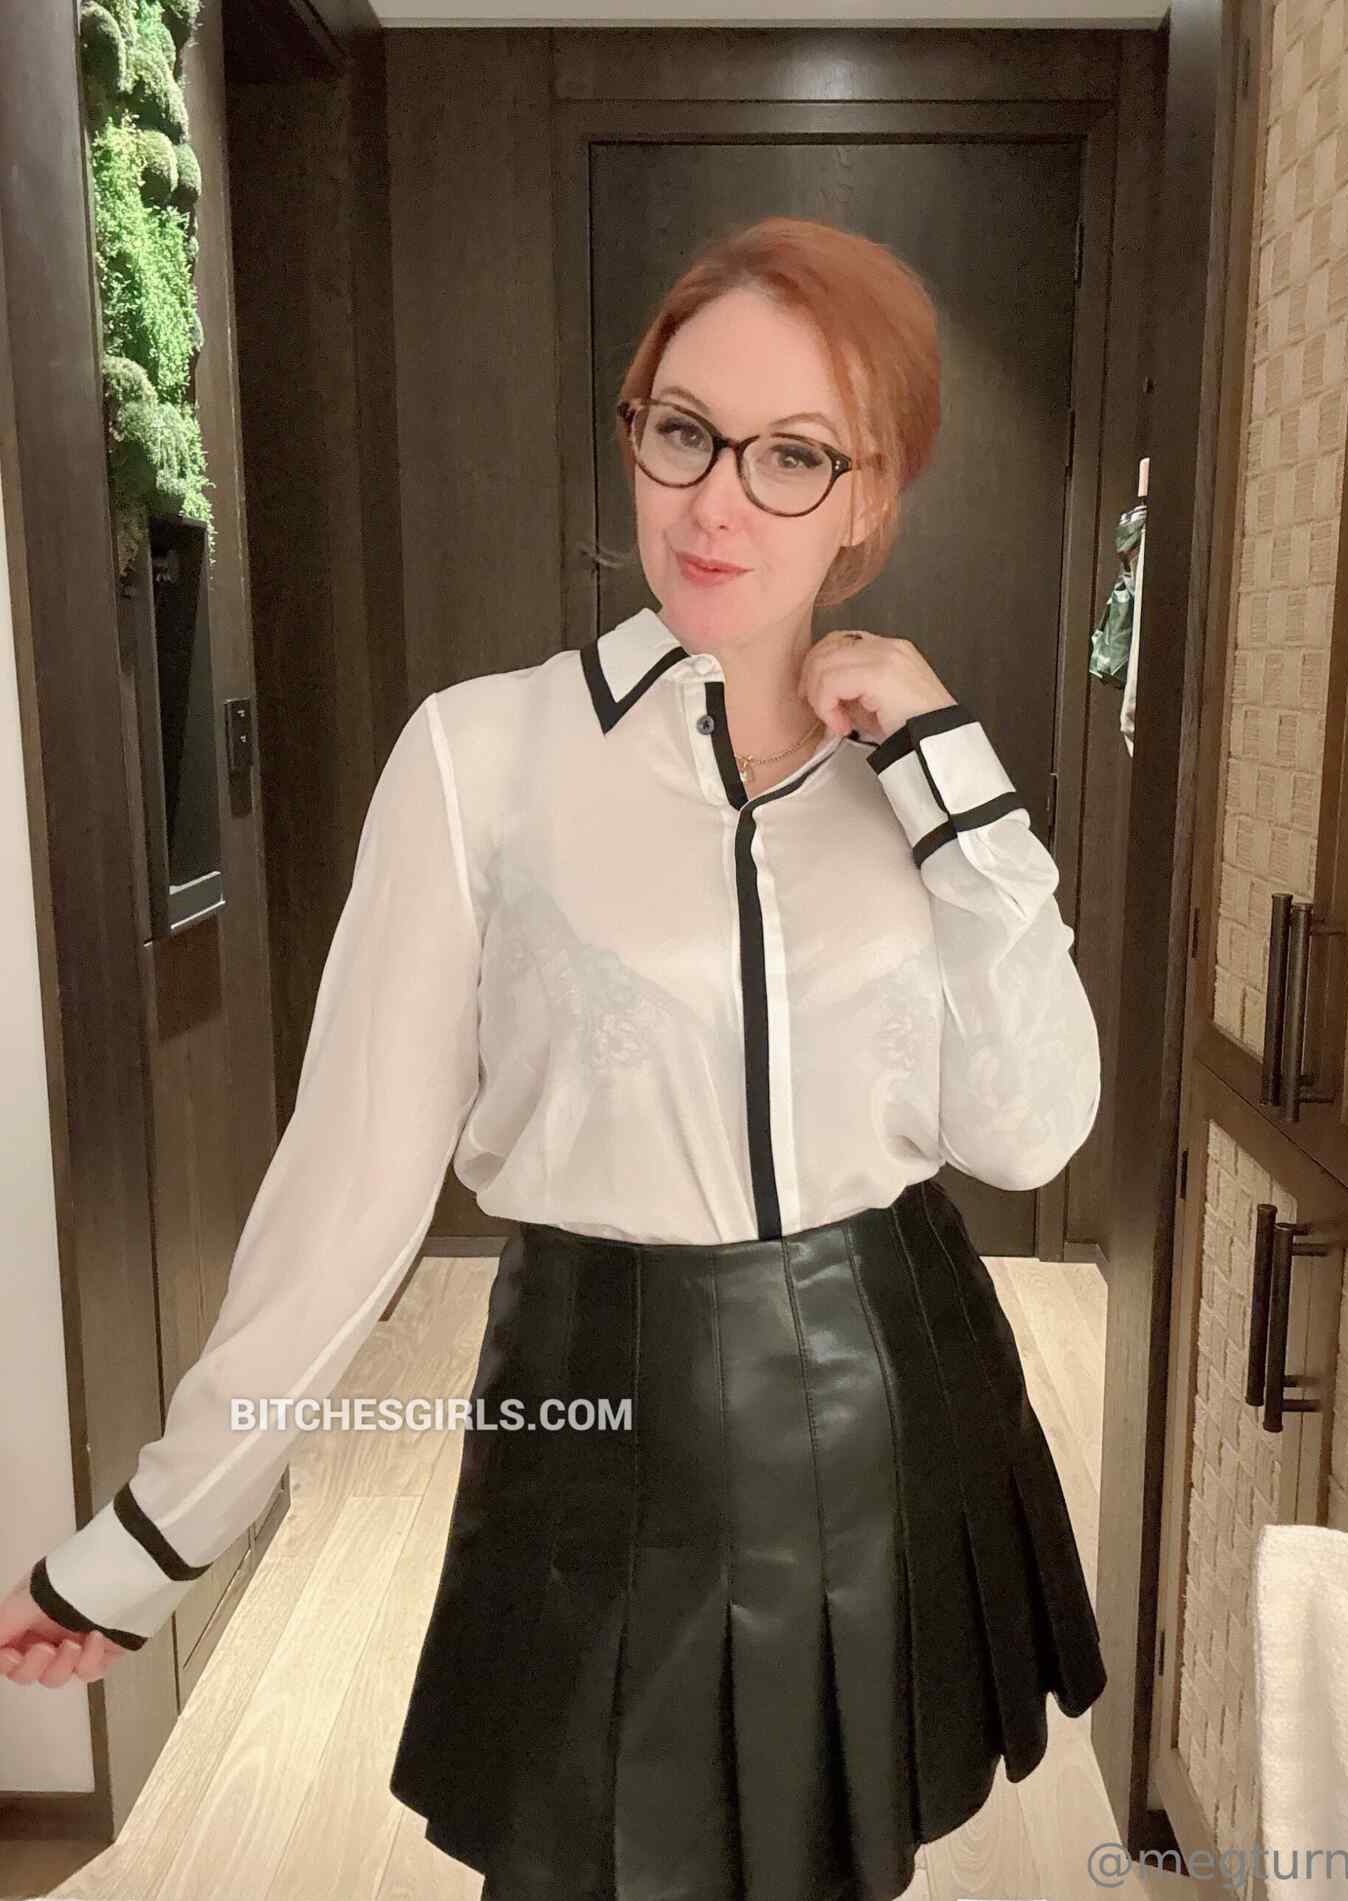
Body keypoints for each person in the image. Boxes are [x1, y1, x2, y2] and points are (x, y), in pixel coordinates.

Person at [1, 215, 1107, 1901]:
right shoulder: (481, 756)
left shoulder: (916, 784)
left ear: (870, 495)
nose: (716, 501)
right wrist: (156, 1534)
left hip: (899, 1391)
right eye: (684, 431)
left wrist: (954, 774)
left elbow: (1024, 1135)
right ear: (634, 432)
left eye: (792, 454)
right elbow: (350, 1187)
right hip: (604, 1419)